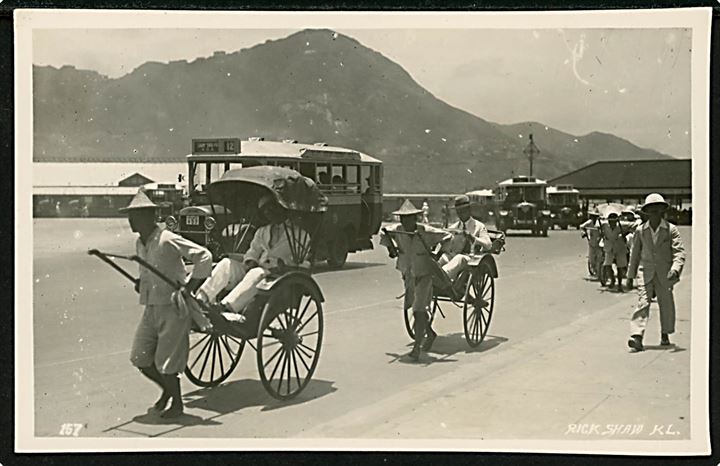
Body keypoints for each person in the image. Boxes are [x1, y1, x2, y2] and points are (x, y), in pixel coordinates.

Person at [121, 190, 213, 418]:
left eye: (135, 216)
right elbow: (146, 272)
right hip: (151, 307)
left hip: (173, 307)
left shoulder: (167, 239)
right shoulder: (140, 243)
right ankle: (167, 391)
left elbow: (204, 256)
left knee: (167, 361)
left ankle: (178, 404)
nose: (130, 221)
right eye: (130, 216)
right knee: (140, 358)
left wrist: (189, 288)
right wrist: (141, 283)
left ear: (149, 217)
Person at [196, 194, 308, 313]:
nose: (268, 212)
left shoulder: (299, 234)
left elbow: (304, 263)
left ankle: (226, 307)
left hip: (279, 276)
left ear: (281, 207)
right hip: (257, 269)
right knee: (227, 264)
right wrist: (250, 261)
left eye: (271, 208)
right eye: (265, 210)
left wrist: (284, 266)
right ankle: (201, 299)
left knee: (257, 272)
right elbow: (253, 251)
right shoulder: (262, 231)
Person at [380, 200, 450, 361]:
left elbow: (448, 236)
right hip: (408, 273)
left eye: (409, 218)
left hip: (424, 274)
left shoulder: (426, 231)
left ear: (415, 218)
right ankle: (430, 334)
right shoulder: (398, 230)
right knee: (413, 307)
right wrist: (391, 248)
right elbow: (384, 233)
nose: (406, 222)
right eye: (403, 219)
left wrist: (438, 254)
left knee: (419, 309)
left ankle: (417, 347)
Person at [626, 193, 685, 352]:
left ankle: (665, 333)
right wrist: (630, 276)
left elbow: (679, 253)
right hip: (645, 272)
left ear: (662, 211)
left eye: (657, 210)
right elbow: (635, 254)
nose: (654, 213)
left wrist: (675, 269)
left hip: (665, 273)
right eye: (651, 210)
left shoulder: (671, 229)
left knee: (665, 304)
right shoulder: (640, 230)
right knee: (643, 302)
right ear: (646, 212)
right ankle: (637, 336)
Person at [438, 195, 493, 282]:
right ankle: (435, 275)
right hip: (453, 255)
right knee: (444, 257)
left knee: (459, 258)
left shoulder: (479, 226)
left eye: (463, 211)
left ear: (469, 210)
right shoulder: (454, 227)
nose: (460, 214)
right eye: (458, 211)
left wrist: (473, 238)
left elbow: (488, 245)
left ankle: (444, 276)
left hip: (470, 258)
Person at [600, 212, 628, 292]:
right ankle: (612, 279)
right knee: (607, 264)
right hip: (609, 247)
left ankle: (619, 284)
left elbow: (631, 228)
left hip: (619, 247)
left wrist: (624, 234)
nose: (611, 223)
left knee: (620, 266)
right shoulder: (604, 226)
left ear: (616, 221)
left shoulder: (621, 226)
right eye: (610, 221)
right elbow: (598, 228)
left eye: (613, 221)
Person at [580, 209, 602, 276]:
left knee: (599, 258)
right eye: (593, 216)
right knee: (592, 259)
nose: (594, 218)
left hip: (600, 243)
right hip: (592, 242)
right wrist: (584, 233)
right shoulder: (590, 222)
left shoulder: (601, 223)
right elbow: (582, 226)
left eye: (595, 216)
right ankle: (594, 270)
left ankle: (599, 272)